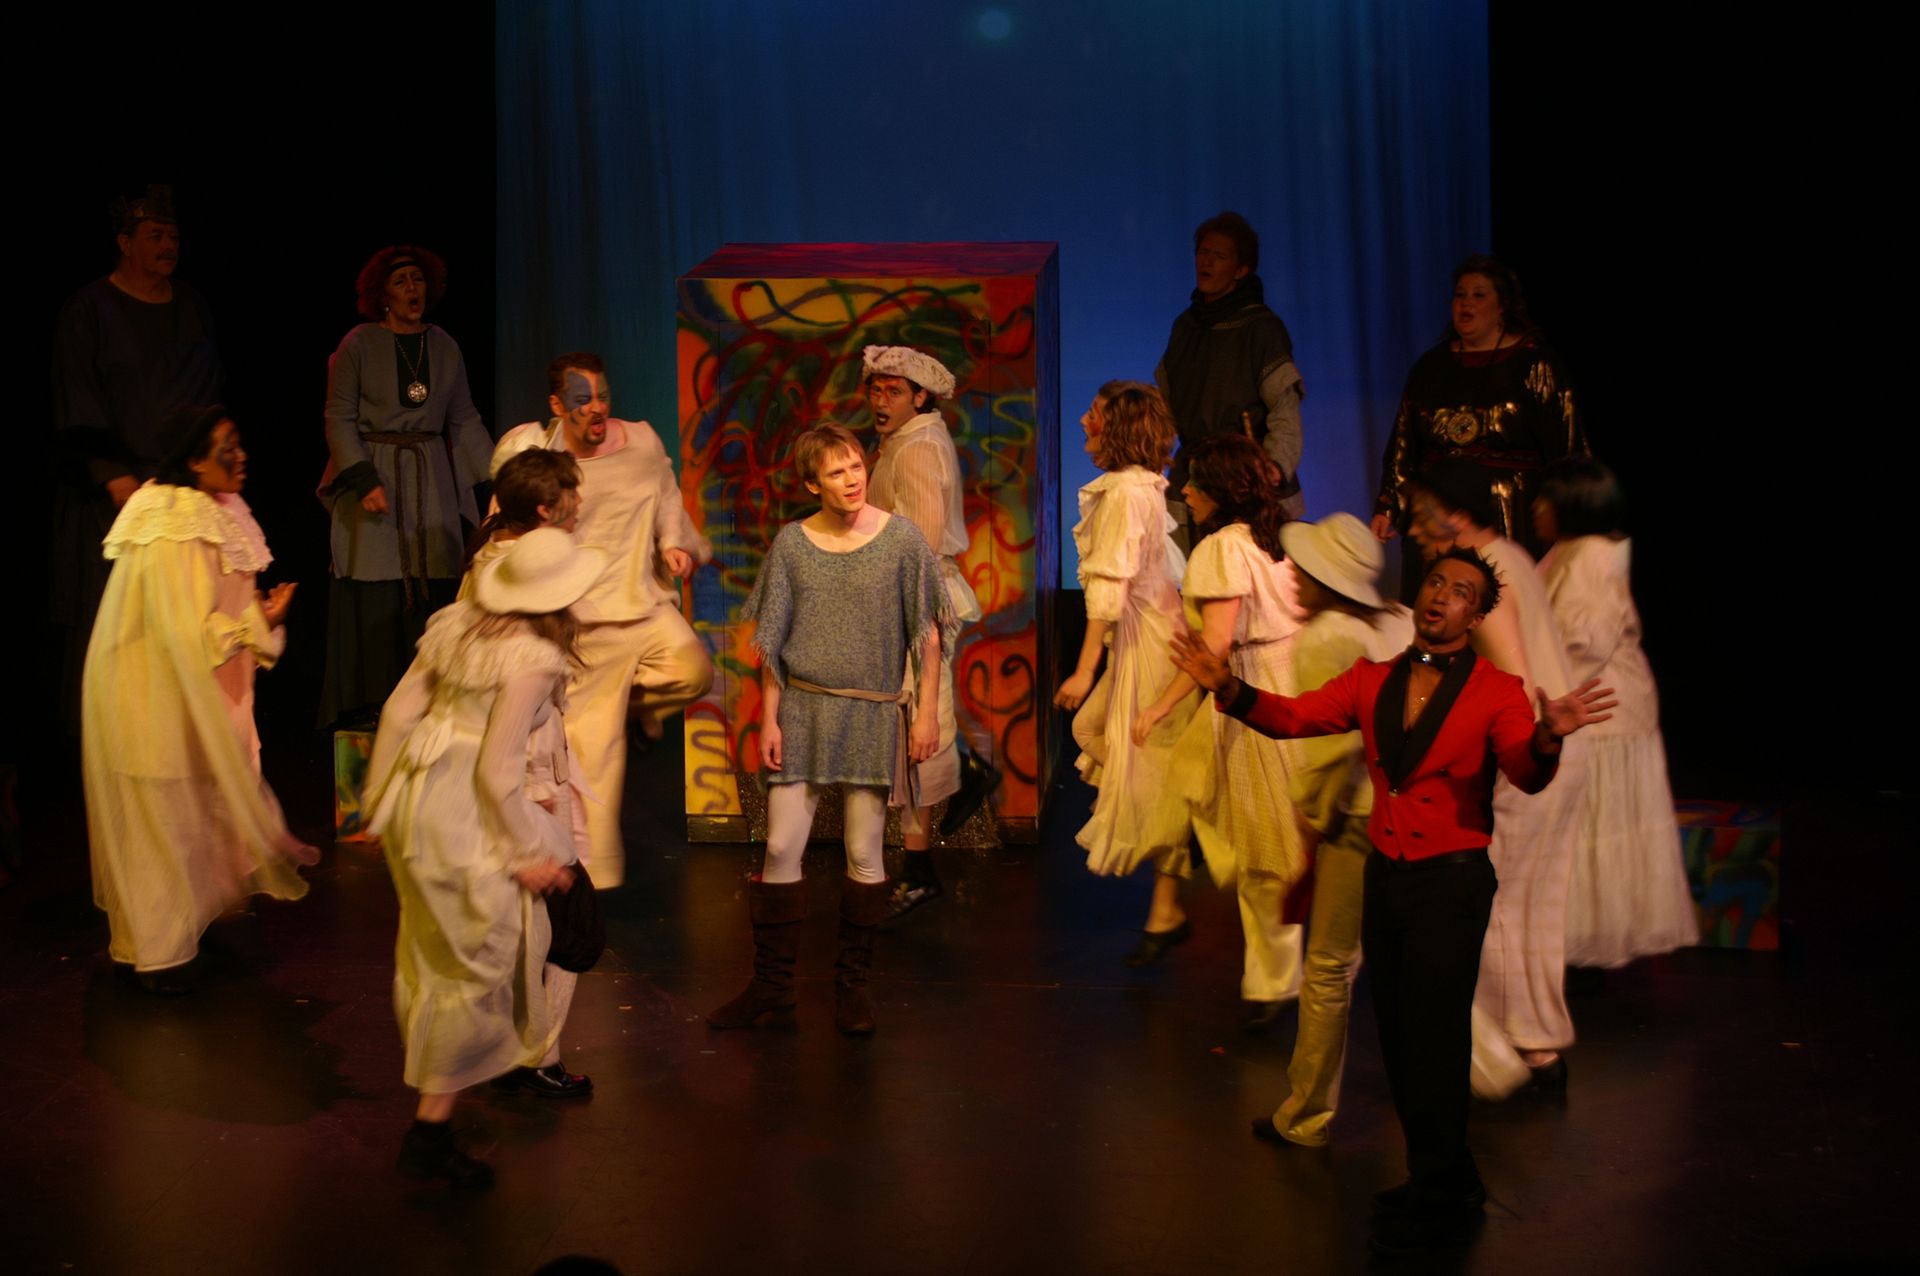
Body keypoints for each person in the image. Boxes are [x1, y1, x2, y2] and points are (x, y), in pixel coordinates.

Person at [1172, 549, 1614, 1255]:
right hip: (1388, 877)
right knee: (1404, 1037)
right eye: (1436, 582)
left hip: (1452, 884)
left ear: (1476, 615)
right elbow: (1293, 718)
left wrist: (1547, 736)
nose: (1442, 596)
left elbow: (1525, 772)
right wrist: (1228, 687)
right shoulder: (1371, 678)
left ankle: (1442, 1183)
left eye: (1461, 591)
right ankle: (1441, 1176)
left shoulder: (1498, 690)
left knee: (1437, 1037)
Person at [365, 527, 608, 1188]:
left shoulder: (459, 624)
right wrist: (522, 851)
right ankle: (430, 1134)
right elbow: (498, 768)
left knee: (442, 959)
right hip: (465, 815)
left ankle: (436, 1121)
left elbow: (398, 712)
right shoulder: (533, 657)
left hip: (418, 801)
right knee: (472, 967)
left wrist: (379, 802)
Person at [707, 424, 951, 1036]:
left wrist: (925, 712)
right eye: (836, 472)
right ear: (813, 483)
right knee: (780, 847)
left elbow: (928, 633)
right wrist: (769, 717)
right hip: (804, 708)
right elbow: (772, 640)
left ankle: (853, 988)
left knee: (864, 850)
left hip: (871, 713)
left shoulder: (900, 540)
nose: (851, 479)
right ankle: (772, 988)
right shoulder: (793, 545)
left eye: (856, 467)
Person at [82, 405, 315, 994]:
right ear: (192, 460)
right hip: (157, 694)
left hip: (198, 693)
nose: (241, 457)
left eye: (239, 443)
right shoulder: (173, 520)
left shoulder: (215, 508)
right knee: (163, 824)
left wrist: (256, 618)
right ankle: (158, 958)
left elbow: (214, 610)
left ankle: (171, 938)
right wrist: (258, 624)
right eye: (226, 447)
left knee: (193, 819)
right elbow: (183, 630)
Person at [491, 353, 714, 888]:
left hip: (641, 605)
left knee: (693, 671)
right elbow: (507, 525)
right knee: (597, 755)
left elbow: (665, 494)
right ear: (556, 404)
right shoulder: (539, 460)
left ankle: (637, 710)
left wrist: (673, 542)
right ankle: (595, 874)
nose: (596, 408)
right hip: (583, 620)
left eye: (603, 396)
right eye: (582, 400)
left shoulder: (640, 441)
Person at [1406, 458, 1588, 1094]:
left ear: (1456, 515)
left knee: (1498, 904)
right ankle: (1537, 1043)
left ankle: (1511, 1053)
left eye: (1423, 516)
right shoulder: (1511, 555)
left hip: (1526, 749)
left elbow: (1511, 677)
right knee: (1534, 904)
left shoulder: (1485, 573)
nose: (1415, 530)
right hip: (1558, 745)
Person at [1249, 513, 1411, 1145]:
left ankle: (1307, 1114)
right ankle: (1475, 1074)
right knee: (1413, 961)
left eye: (1303, 567)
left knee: (1328, 968)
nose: (1292, 574)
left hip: (1361, 819)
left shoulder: (1325, 639)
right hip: (1417, 816)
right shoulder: (1396, 622)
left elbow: (1331, 748)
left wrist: (1313, 821)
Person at [1134, 435, 1306, 1019]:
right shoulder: (1271, 538)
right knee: (1196, 794)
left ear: (1221, 489)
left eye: (1196, 483)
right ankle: (1173, 910)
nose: (1185, 491)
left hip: (1253, 689)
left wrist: (1160, 705)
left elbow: (1216, 645)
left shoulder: (1222, 548)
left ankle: (1274, 982)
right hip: (1289, 678)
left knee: (1263, 846)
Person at [53, 185, 224, 732]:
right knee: (115, 626)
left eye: (173, 235)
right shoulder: (89, 311)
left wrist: (198, 475)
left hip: (180, 494)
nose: (168, 245)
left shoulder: (191, 307)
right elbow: (79, 398)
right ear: (125, 243)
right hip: (115, 498)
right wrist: (117, 479)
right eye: (155, 235)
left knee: (184, 623)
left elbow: (207, 395)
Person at [318, 245, 494, 729]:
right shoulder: (358, 344)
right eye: (400, 282)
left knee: (434, 576)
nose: (412, 288)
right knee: (377, 585)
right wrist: (362, 479)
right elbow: (338, 418)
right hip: (375, 471)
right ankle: (374, 701)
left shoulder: (445, 346)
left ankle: (432, 694)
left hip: (430, 476)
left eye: (417, 279)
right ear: (383, 295)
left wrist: (498, 481)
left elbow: (464, 419)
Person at [1052, 382, 1198, 958]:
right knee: (1098, 736)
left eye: (1093, 414)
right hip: (1145, 638)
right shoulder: (1142, 487)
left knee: (1146, 765)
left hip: (1151, 647)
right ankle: (1174, 839)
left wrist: (1084, 669)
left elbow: (1109, 587)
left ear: (1116, 427)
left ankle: (1168, 898)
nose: (1083, 421)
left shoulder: (1125, 492)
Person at [1534, 459, 1696, 969]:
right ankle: (1574, 945)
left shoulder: (1591, 555)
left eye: (1546, 500)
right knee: (1585, 832)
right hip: (1585, 704)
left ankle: (1583, 945)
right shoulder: (1569, 551)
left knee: (1591, 831)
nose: (1536, 508)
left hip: (1598, 709)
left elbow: (1584, 641)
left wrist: (1535, 696)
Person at [860, 344, 999, 919]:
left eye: (894, 391)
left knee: (915, 733)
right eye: (876, 389)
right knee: (912, 727)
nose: (881, 399)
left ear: (920, 397)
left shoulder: (918, 450)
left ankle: (919, 872)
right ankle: (968, 772)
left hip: (914, 602)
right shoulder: (903, 441)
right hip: (900, 597)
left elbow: (917, 547)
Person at [1371, 253, 1587, 595]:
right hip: (1439, 508)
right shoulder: (1430, 368)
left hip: (1509, 509)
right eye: (1460, 294)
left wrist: (1571, 516)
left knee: (1498, 597)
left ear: (1502, 306)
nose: (1466, 303)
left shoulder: (1535, 365)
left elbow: (1567, 446)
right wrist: (1388, 505)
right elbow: (1403, 444)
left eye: (1479, 295)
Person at [1156, 210, 1305, 544]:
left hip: (1245, 482)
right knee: (1193, 571)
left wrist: (1274, 467)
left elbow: (1285, 410)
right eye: (1202, 252)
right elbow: (1165, 407)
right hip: (1192, 478)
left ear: (1241, 269)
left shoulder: (1261, 328)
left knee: (1246, 568)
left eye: (1219, 256)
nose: (1206, 261)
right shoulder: (1185, 328)